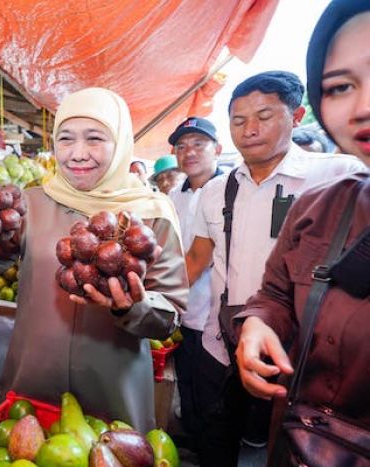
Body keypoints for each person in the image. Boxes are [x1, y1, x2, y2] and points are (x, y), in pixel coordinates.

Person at [0, 88, 188, 431]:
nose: (77, 153)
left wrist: (132, 307)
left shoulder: (151, 215)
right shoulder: (32, 202)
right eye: (66, 139)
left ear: (120, 143)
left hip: (113, 389)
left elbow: (171, 314)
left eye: (95, 138)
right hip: (32, 378)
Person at [185, 71, 364, 466]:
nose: (250, 130)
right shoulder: (216, 190)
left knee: (284, 446)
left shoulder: (340, 177)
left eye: (264, 116)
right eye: (238, 120)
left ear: (297, 116)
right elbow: (197, 260)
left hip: (297, 354)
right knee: (214, 439)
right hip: (223, 343)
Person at [234, 1, 370, 464]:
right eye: (340, 86)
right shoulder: (322, 204)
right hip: (298, 444)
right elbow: (275, 292)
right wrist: (257, 322)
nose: (363, 105)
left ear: (294, 118)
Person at [167, 116, 223, 439]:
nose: (189, 152)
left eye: (198, 144)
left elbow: (197, 260)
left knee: (211, 397)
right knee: (186, 386)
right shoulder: (176, 195)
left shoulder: (228, 191)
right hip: (182, 314)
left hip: (213, 317)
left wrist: (160, 293)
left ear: (217, 148)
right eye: (181, 146)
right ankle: (190, 442)